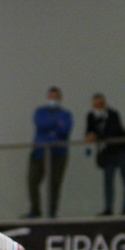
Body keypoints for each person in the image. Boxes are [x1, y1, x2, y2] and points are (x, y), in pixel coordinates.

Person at [29, 87, 73, 218]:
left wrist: (50, 129)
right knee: (33, 181)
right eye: (51, 97)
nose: (53, 100)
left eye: (55, 97)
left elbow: (64, 130)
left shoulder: (66, 115)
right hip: (39, 152)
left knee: (55, 183)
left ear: (60, 99)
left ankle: (52, 211)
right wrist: (55, 126)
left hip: (58, 154)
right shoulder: (40, 112)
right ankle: (35, 210)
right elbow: (41, 124)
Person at [86, 92, 125, 215]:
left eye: (100, 104)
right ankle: (108, 208)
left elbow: (113, 131)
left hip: (121, 150)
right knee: (108, 181)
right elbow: (89, 131)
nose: (98, 107)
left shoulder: (113, 114)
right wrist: (90, 136)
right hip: (107, 153)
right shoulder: (91, 116)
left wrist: (97, 136)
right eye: (96, 105)